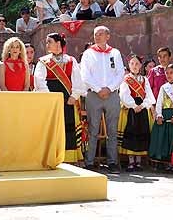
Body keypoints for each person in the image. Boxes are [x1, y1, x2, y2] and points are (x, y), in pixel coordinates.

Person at [33, 32, 87, 163]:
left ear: (58, 43)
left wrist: (74, 96)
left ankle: (69, 157)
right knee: (52, 126)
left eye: (49, 42)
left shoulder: (71, 60)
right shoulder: (43, 61)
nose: (47, 44)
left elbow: (77, 80)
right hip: (51, 100)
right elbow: (39, 80)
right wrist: (50, 97)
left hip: (68, 99)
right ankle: (51, 155)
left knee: (68, 125)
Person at [81, 26, 125, 171]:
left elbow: (120, 73)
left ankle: (112, 161)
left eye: (100, 34)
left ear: (108, 36)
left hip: (112, 95)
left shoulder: (115, 53)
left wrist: (109, 88)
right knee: (92, 128)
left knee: (112, 130)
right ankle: (89, 161)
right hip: (94, 95)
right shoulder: (88, 53)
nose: (97, 37)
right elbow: (85, 75)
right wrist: (98, 89)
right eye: (95, 34)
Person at [118, 54, 155, 171]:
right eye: (132, 63)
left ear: (141, 66)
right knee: (131, 132)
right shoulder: (126, 79)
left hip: (142, 109)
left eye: (137, 64)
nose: (134, 66)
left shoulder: (145, 80)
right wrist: (133, 105)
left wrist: (143, 105)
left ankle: (138, 161)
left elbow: (149, 95)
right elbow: (124, 94)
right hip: (131, 109)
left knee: (141, 132)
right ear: (129, 65)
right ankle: (130, 161)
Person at [150, 63, 173, 166]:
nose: (169, 75)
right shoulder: (163, 87)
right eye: (167, 73)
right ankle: (162, 160)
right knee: (162, 137)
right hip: (164, 115)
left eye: (171, 73)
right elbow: (159, 102)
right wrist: (159, 115)